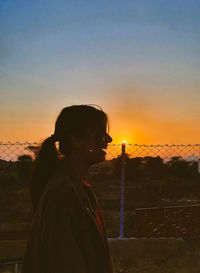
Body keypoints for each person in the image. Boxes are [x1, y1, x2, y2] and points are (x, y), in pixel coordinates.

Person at [22, 105, 113, 273]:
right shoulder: (62, 193)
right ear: (76, 141)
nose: (109, 139)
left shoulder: (77, 186)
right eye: (100, 133)